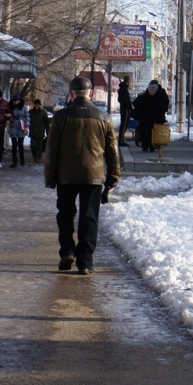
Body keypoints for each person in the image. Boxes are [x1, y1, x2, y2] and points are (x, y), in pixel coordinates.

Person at [44, 76, 120, 275]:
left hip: (65, 176)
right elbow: (112, 151)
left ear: (71, 94)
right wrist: (113, 177)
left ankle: (67, 250)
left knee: (65, 215)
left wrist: (50, 177)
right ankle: (85, 261)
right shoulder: (104, 118)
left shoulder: (61, 117)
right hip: (93, 176)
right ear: (91, 94)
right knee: (89, 217)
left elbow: (51, 149)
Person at [135, 80, 169, 152]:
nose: (151, 91)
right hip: (145, 119)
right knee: (145, 132)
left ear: (156, 90)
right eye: (150, 89)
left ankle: (153, 146)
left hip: (156, 118)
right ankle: (145, 146)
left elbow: (165, 105)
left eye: (153, 90)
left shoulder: (160, 96)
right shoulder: (145, 96)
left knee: (154, 132)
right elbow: (140, 106)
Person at [7, 93, 30, 168]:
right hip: (13, 126)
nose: (16, 102)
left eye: (17, 101)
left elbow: (27, 116)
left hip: (21, 126)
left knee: (20, 144)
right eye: (15, 101)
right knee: (14, 145)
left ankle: (22, 161)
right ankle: (14, 161)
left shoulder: (24, 106)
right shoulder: (9, 106)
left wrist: (27, 126)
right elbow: (6, 114)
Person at [28, 98, 50, 163]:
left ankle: (38, 157)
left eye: (38, 104)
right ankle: (34, 156)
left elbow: (46, 123)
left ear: (40, 105)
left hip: (40, 132)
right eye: (36, 104)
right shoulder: (30, 112)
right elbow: (27, 121)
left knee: (39, 146)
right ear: (34, 105)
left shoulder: (43, 113)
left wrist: (48, 132)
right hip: (32, 132)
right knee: (33, 145)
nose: (37, 105)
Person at [117, 75, 132, 146]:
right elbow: (125, 100)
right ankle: (121, 140)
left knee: (123, 124)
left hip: (123, 108)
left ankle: (121, 140)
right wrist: (130, 106)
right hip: (125, 109)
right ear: (128, 81)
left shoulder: (122, 88)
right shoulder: (124, 89)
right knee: (124, 124)